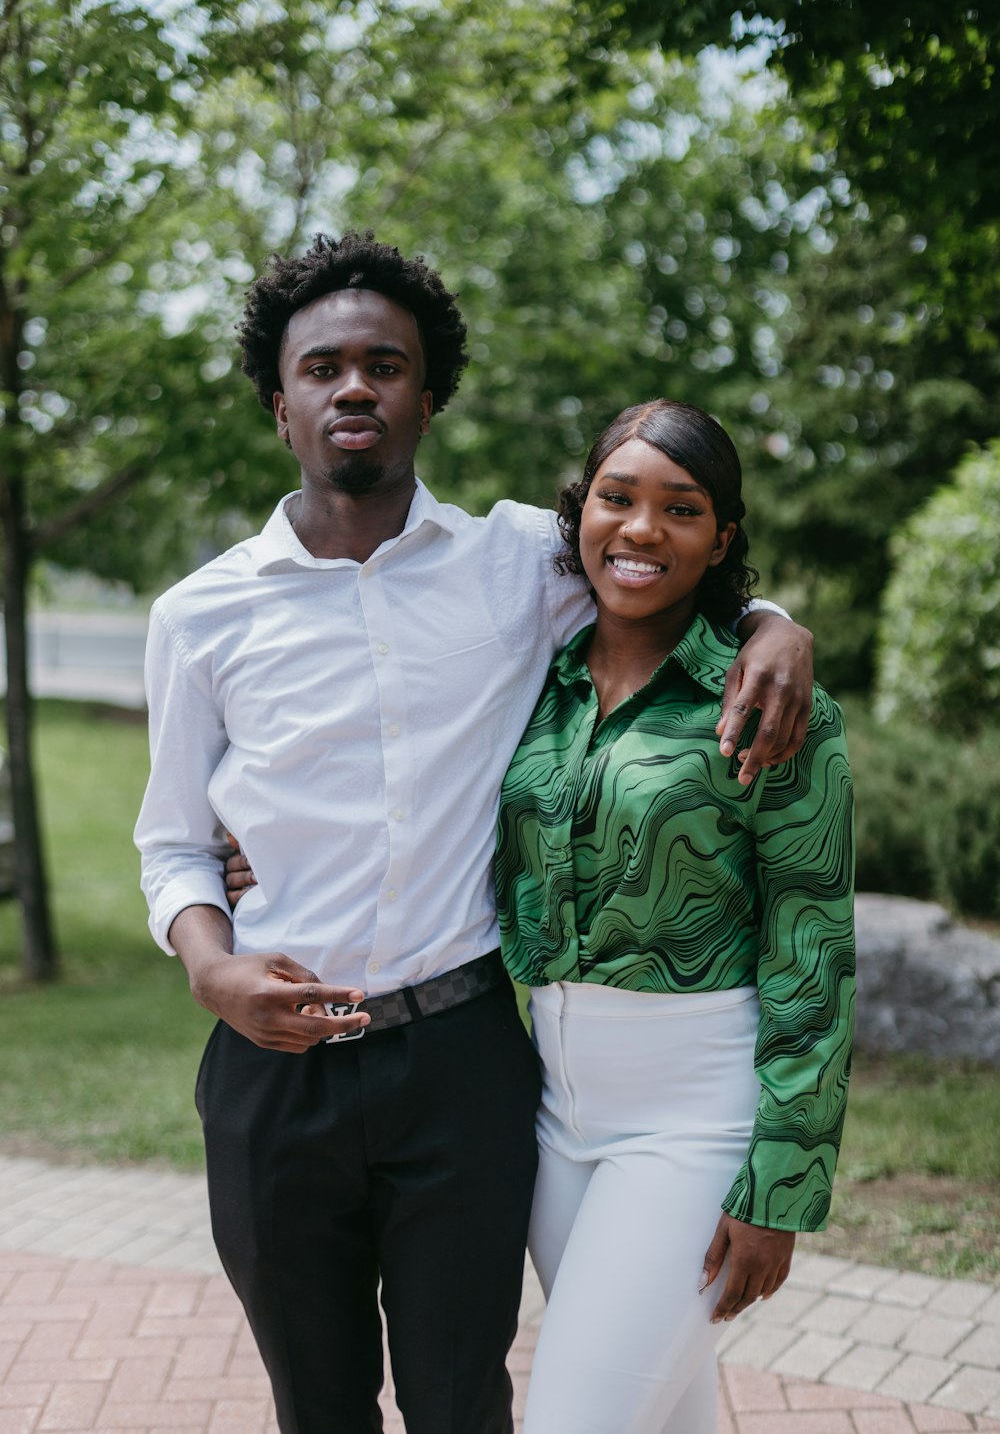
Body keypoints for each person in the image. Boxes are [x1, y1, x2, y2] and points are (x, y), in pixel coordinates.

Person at [135, 231, 815, 1434]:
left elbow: (650, 558)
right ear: (277, 403)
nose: (354, 386)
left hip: (459, 1067)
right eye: (322, 367)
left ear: (427, 395)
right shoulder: (200, 618)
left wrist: (772, 620)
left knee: (464, 1403)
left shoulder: (514, 564)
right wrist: (210, 963)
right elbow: (174, 842)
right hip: (271, 1073)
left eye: (385, 365)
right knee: (320, 1406)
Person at [494, 399, 855, 1434]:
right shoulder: (541, 682)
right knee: (665, 1417)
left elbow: (814, 954)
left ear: (721, 540)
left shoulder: (770, 702)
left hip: (694, 1116)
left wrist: (780, 1185)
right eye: (618, 498)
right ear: (580, 515)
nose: (642, 529)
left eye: (680, 508)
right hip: (558, 1114)